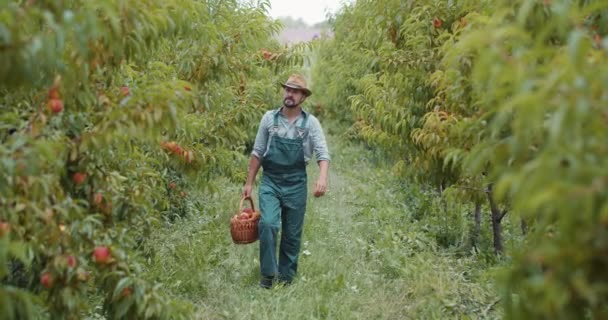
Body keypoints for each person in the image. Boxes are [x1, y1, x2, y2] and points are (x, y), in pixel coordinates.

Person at [242, 74, 330, 289]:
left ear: (303, 97)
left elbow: (322, 153)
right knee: (268, 224)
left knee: (292, 233)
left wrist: (322, 178)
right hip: (271, 180)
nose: (289, 94)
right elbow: (258, 152)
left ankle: (286, 278)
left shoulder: (310, 123)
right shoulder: (269, 119)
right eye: (287, 89)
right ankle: (267, 276)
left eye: (295, 91)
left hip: (296, 183)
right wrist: (249, 183)